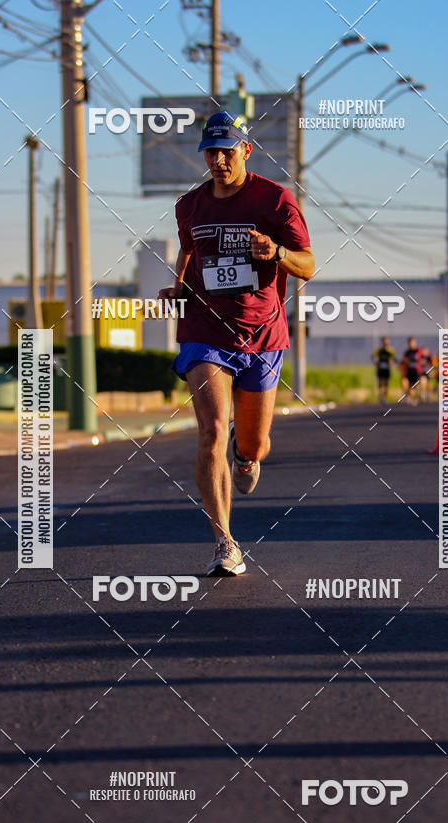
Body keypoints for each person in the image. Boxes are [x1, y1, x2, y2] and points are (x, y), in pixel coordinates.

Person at [158, 111, 315, 576]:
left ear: (246, 150)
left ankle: (246, 458)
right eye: (211, 151)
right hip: (205, 331)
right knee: (211, 429)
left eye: (228, 149)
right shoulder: (189, 205)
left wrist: (279, 252)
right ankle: (224, 542)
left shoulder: (276, 199)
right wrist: (178, 285)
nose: (219, 159)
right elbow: (189, 248)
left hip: (263, 334)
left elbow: (308, 263)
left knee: (253, 441)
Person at [372, 336, 395, 403]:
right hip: (380, 369)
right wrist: (376, 362)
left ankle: (384, 397)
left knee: (386, 384)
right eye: (384, 341)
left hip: (387, 369)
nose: (386, 343)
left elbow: (393, 358)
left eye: (387, 341)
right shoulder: (379, 350)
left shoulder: (390, 350)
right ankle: (381, 395)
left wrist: (391, 361)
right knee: (380, 383)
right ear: (382, 342)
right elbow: (374, 357)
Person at [400, 337, 421, 405]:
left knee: (415, 386)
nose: (412, 344)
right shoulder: (407, 352)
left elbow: (422, 359)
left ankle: (415, 397)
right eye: (410, 343)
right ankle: (409, 397)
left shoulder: (418, 351)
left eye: (413, 342)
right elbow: (404, 361)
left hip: (416, 371)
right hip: (409, 371)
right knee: (407, 385)